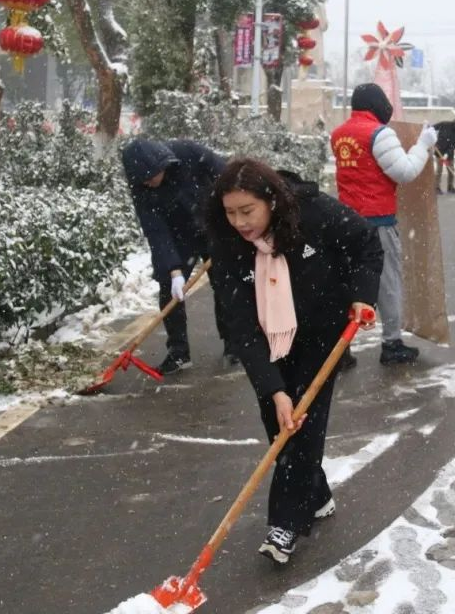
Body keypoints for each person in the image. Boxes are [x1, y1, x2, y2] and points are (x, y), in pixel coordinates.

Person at [206, 158, 383, 564]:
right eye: (230, 212)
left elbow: (366, 243)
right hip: (268, 336)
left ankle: (285, 524)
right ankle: (315, 495)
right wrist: (273, 389)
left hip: (322, 332)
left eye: (247, 211)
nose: (239, 222)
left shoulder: (313, 213)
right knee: (278, 422)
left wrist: (362, 294)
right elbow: (240, 324)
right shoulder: (226, 243)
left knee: (301, 424)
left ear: (269, 201)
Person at [330, 82, 437, 365]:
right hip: (377, 221)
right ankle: (392, 344)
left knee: (349, 283)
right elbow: (405, 172)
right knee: (387, 282)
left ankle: (340, 350)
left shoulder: (339, 134)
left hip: (346, 221)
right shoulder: (379, 133)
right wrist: (423, 144)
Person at [121, 138, 227, 374]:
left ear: (161, 164)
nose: (148, 183)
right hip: (179, 236)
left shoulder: (189, 153)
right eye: (142, 180)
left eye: (150, 176)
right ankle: (178, 352)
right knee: (169, 288)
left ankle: (233, 344)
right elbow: (155, 230)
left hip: (214, 225)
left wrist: (232, 216)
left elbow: (228, 177)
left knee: (225, 284)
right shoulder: (142, 188)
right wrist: (174, 270)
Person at [434, 115, 455, 194]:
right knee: (439, 170)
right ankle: (436, 187)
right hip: (439, 151)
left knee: (451, 170)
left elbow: (454, 145)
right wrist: (431, 137)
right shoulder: (445, 124)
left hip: (449, 154)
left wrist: (447, 154)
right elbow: (433, 128)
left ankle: (450, 187)